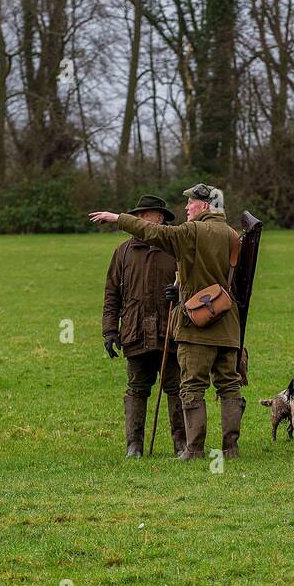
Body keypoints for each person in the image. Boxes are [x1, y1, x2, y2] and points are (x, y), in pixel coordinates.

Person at [89, 183, 244, 460]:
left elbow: (153, 233)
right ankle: (230, 449)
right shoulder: (233, 235)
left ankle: (192, 448)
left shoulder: (190, 233)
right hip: (228, 322)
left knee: (191, 387)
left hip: (196, 324)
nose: (186, 208)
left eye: (191, 203)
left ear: (205, 206)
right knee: (229, 386)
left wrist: (118, 218)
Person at [102, 194, 183, 457]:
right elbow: (112, 294)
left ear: (158, 218)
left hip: (170, 330)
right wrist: (110, 330)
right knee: (137, 389)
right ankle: (133, 445)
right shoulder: (123, 252)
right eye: (136, 215)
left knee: (176, 388)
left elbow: (193, 285)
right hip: (135, 332)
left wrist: (179, 295)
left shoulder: (176, 248)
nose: (138, 219)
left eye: (143, 215)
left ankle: (181, 444)